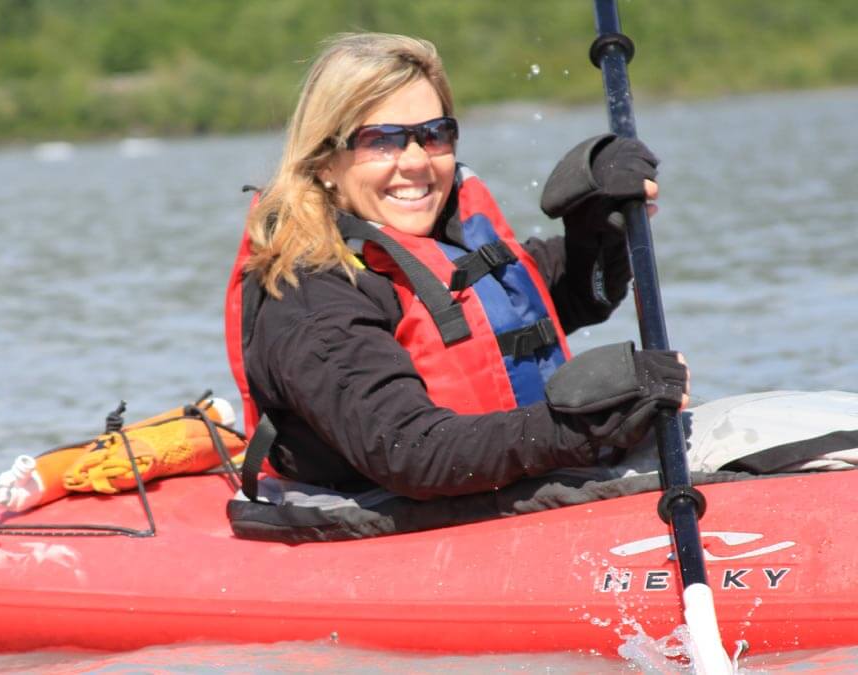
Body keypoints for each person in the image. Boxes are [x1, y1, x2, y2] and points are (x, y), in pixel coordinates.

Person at [223, 33, 692, 541]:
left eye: (434, 133)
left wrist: (599, 226)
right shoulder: (307, 295)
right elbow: (411, 452)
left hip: (492, 495)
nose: (417, 161)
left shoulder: (445, 237)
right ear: (325, 162)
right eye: (381, 140)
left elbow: (567, 297)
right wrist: (586, 426)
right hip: (384, 521)